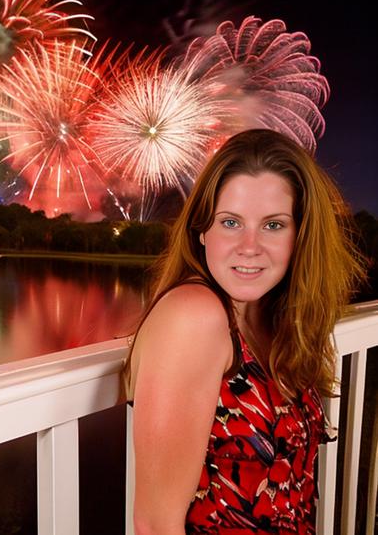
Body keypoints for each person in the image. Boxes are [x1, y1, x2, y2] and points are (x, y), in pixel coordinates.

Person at [122, 128, 366, 535]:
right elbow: (155, 524)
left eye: (273, 225)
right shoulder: (194, 316)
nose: (249, 246)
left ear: (299, 236)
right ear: (203, 230)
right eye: (231, 222)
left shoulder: (270, 317)